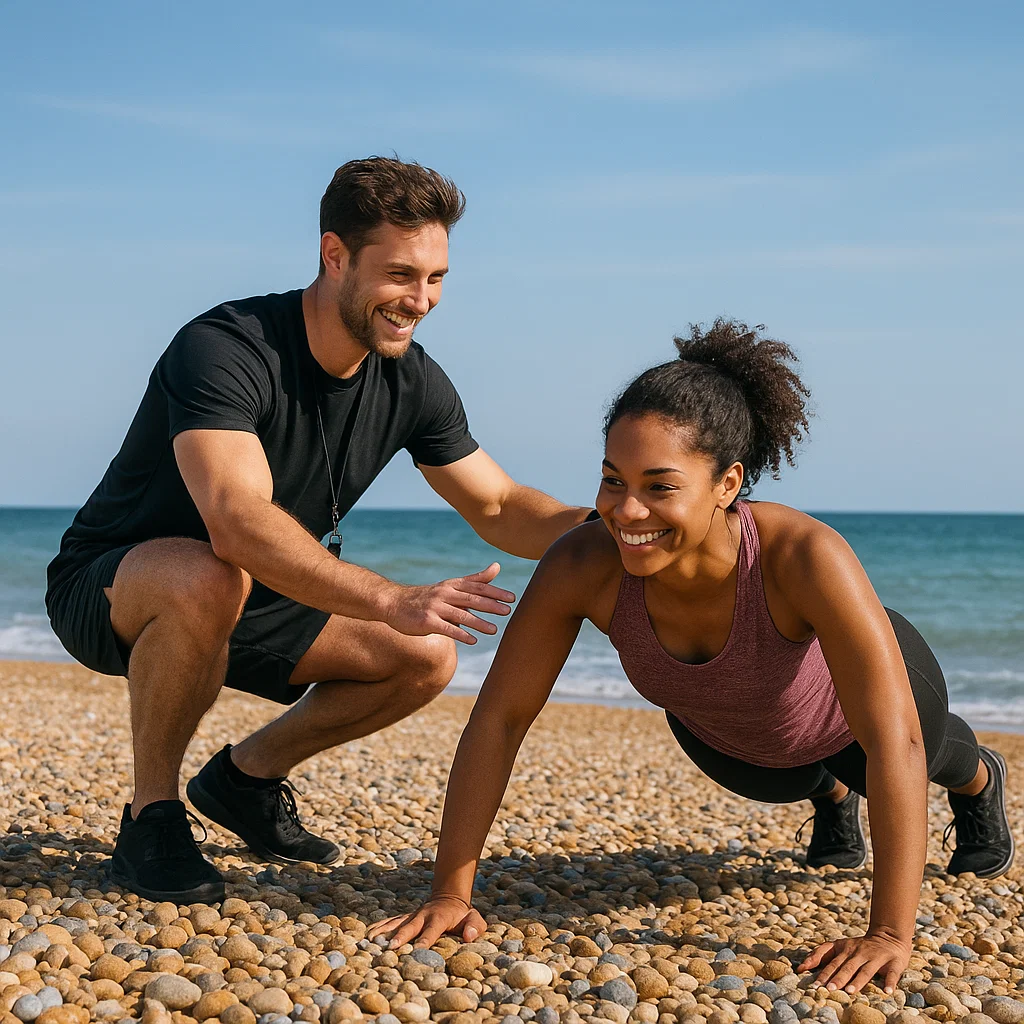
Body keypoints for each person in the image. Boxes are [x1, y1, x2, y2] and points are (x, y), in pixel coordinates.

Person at [369, 320, 1014, 995]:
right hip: (736, 731)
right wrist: (449, 892)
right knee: (779, 777)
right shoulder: (582, 565)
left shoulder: (803, 555)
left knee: (905, 756)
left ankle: (978, 781)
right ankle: (828, 794)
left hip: (872, 710)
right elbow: (500, 719)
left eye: (660, 486)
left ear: (728, 483)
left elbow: (896, 738)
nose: (627, 510)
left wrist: (888, 934)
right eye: (612, 480)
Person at [45, 157, 594, 903]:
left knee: (424, 654)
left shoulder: (411, 380)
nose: (421, 300)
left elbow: (499, 506)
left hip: (253, 593)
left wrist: (623, 523)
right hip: (119, 582)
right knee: (211, 573)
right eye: (402, 274)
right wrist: (387, 596)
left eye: (436, 278)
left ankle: (244, 780)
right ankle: (152, 816)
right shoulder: (227, 347)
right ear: (335, 256)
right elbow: (236, 522)